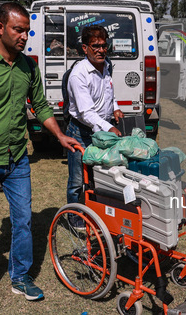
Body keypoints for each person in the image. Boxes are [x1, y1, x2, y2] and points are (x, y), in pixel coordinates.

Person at [0, 2, 79, 300]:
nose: (24, 36)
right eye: (18, 29)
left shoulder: (28, 67)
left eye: (27, 31)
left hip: (17, 158)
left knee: (23, 219)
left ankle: (19, 277)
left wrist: (59, 135)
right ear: (0, 29)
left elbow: (41, 106)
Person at [66, 25, 123, 227]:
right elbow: (86, 113)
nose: (100, 50)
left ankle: (99, 215)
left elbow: (108, 93)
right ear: (85, 48)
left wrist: (115, 108)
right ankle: (74, 219)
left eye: (103, 45)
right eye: (95, 46)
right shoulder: (79, 74)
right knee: (77, 180)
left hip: (101, 131)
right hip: (80, 132)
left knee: (100, 176)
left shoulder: (106, 65)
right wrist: (108, 127)